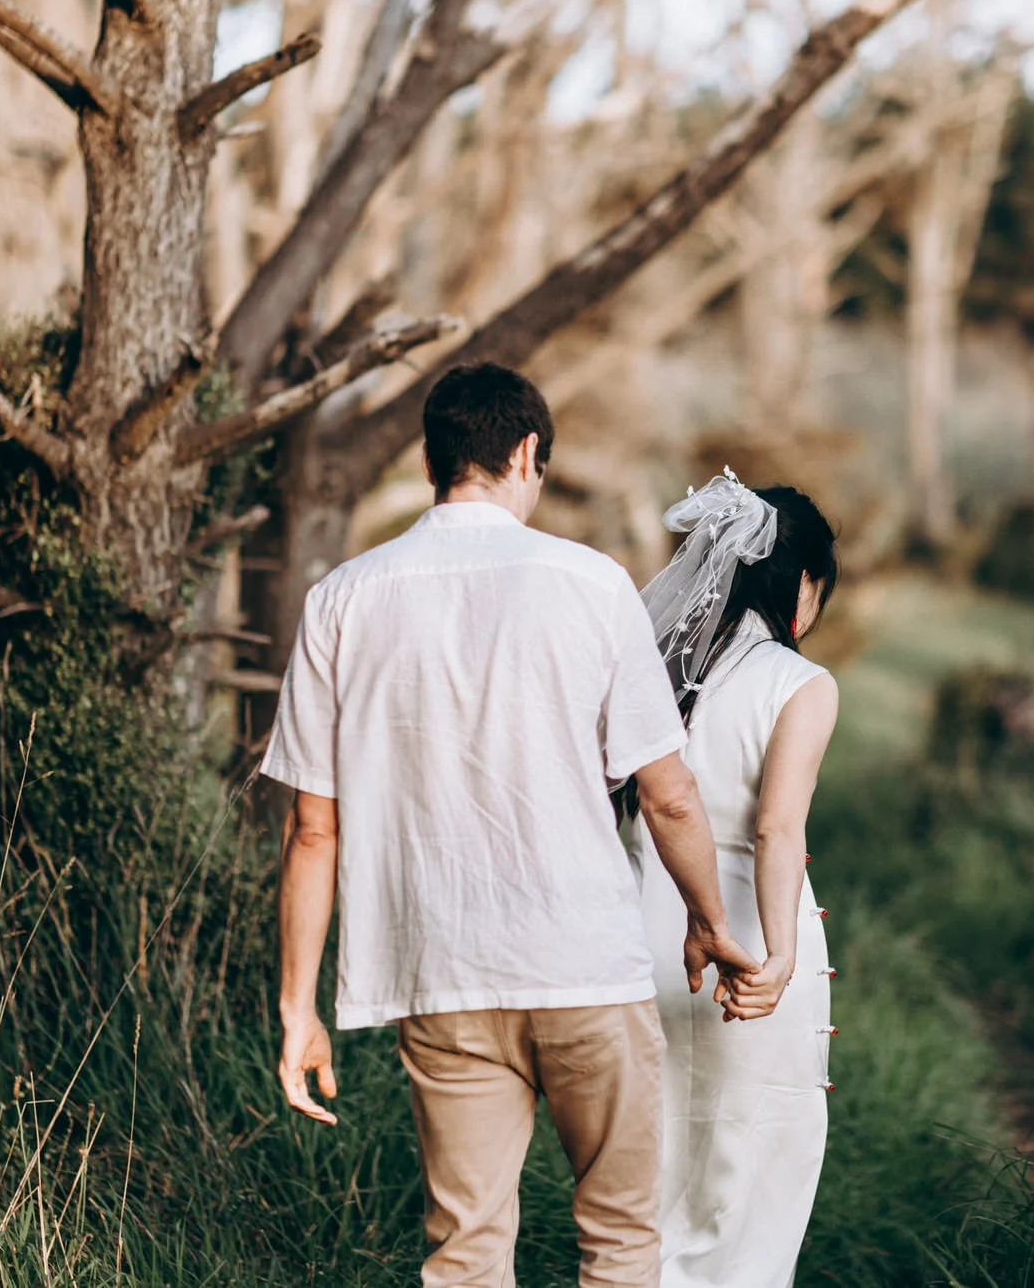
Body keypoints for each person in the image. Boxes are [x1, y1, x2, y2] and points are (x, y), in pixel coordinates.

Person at [262, 362, 762, 1288]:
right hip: (584, 968)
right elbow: (669, 794)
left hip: (442, 974)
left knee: (466, 1253)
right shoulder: (591, 584)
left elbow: (313, 831)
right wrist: (708, 921)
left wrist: (300, 1011)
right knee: (618, 1240)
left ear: (430, 459)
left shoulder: (342, 597)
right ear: (528, 453)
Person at [622, 473, 842, 1288]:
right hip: (742, 948)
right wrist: (780, 956)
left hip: (646, 942)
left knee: (656, 1178)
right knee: (750, 1180)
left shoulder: (665, 676)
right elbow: (776, 826)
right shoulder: (800, 685)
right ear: (805, 585)